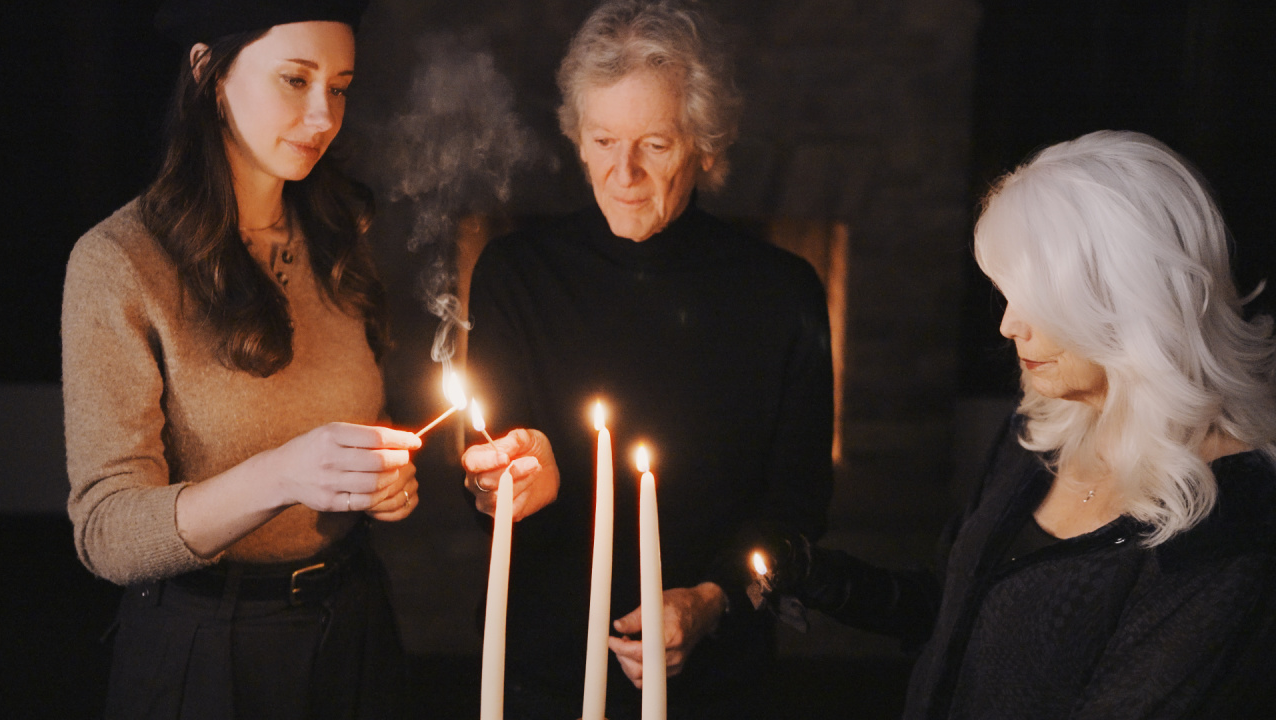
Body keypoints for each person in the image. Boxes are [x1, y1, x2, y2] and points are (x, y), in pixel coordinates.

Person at [758, 130, 1276, 718]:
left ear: (1130, 300)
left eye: (1037, 301)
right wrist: (815, 575)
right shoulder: (1041, 432)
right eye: (1006, 295)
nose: (1008, 326)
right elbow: (955, 610)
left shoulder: (1228, 520)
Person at [458, 1, 834, 718]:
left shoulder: (781, 292)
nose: (623, 172)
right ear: (576, 137)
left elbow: (799, 506)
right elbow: (488, 480)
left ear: (705, 146)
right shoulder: (515, 273)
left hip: (718, 682)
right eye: (603, 140)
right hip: (546, 672)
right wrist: (502, 482)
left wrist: (714, 600)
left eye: (655, 146)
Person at [60, 1, 423, 717]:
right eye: (295, 79)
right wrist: (284, 473)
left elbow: (363, 418)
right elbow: (106, 533)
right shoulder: (119, 263)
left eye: (340, 86)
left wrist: (387, 481)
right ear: (208, 73)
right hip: (206, 647)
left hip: (353, 627)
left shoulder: (338, 237)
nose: (324, 116)